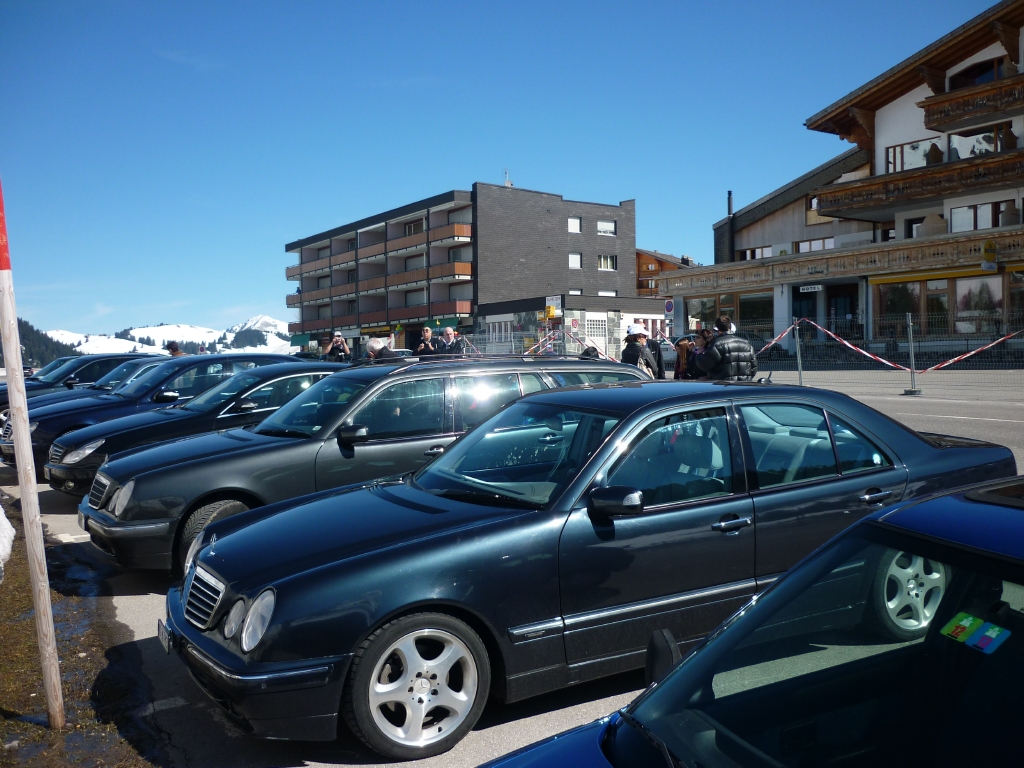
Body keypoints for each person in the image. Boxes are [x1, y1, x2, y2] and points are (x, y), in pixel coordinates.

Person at [696, 316, 758, 381]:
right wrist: (747, 378)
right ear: (730, 326)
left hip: (724, 385)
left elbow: (706, 365)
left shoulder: (717, 344)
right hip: (742, 386)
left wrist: (699, 355)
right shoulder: (746, 343)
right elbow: (754, 367)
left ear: (717, 328)